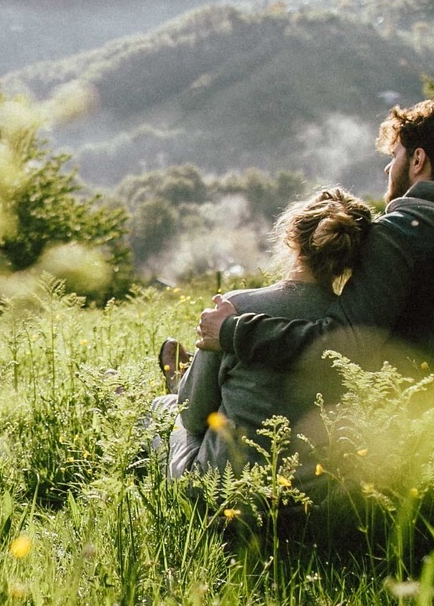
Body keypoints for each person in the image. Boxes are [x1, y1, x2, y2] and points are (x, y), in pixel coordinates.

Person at [196, 99, 434, 379]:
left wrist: (232, 330)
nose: (387, 170)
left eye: (394, 156)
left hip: (409, 422)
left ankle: (183, 383)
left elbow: (343, 346)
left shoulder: (398, 236)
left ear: (417, 160)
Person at [159, 187, 374, 479]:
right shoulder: (353, 329)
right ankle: (180, 379)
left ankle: (175, 384)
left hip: (224, 493)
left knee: (165, 411)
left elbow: (193, 417)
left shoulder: (236, 308)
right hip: (316, 499)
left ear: (291, 238)